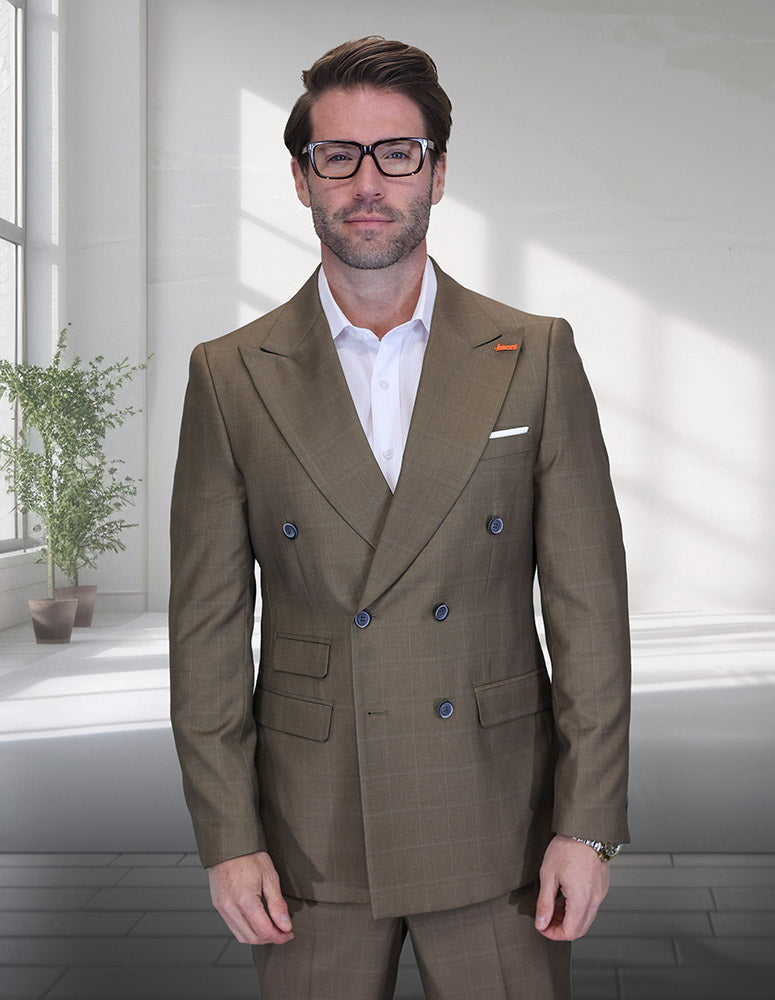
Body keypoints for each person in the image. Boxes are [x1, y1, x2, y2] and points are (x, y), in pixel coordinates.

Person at [169, 36, 630, 1000]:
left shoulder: (533, 353)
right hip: (308, 832)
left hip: (497, 817)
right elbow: (207, 629)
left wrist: (584, 825)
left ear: (439, 171)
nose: (368, 181)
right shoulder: (229, 373)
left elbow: (588, 612)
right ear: (302, 180)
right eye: (337, 155)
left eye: (397, 152)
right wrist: (227, 836)